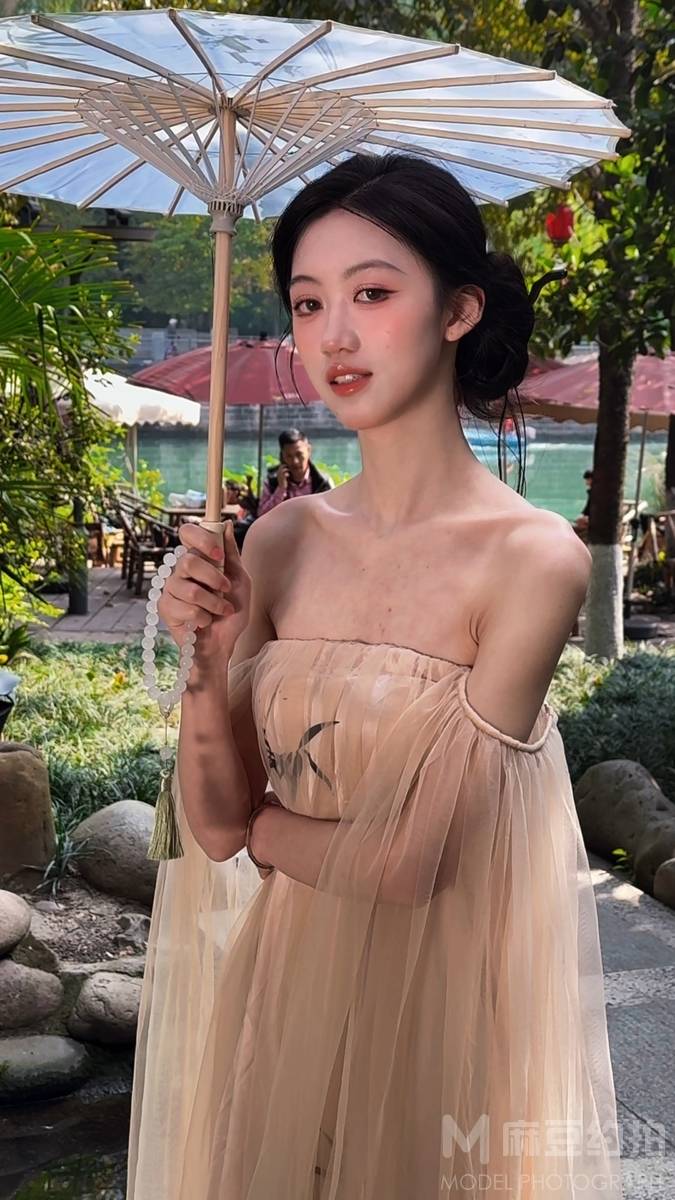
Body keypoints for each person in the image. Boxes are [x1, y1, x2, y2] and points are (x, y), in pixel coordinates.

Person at [127, 153, 622, 1199]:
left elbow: (407, 865)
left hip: (436, 1016)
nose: (333, 337)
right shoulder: (278, 542)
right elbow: (212, 825)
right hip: (281, 997)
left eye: (373, 293)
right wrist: (205, 667)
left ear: (458, 311)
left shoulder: (531, 561)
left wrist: (266, 830)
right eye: (309, 303)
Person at [257, 428, 334, 517]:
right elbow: (261, 515)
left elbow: (333, 514)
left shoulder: (322, 482)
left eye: (299, 454)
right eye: (289, 456)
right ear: (282, 456)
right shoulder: (273, 481)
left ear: (309, 450)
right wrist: (281, 489)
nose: (295, 461)